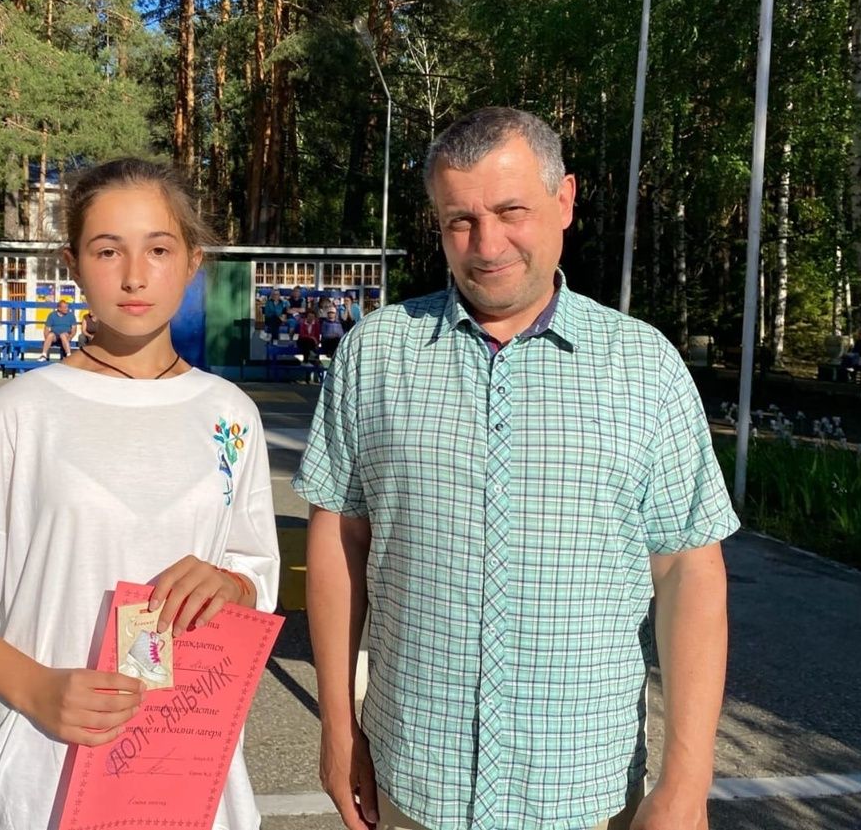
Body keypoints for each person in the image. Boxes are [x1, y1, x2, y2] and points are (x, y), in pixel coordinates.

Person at [295, 107, 739, 830]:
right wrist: (338, 728)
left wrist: (688, 778)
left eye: (511, 211)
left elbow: (690, 570)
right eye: (460, 221)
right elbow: (340, 540)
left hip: (585, 792)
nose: (487, 244)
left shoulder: (644, 367)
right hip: (416, 781)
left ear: (564, 199)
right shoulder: (375, 354)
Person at [0, 157, 280, 830]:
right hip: (45, 762)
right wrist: (36, 688)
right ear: (72, 263)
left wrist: (230, 585)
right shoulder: (25, 409)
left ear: (193, 261)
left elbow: (256, 573)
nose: (134, 275)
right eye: (108, 250)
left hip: (185, 762)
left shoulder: (230, 414)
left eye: (158, 249)